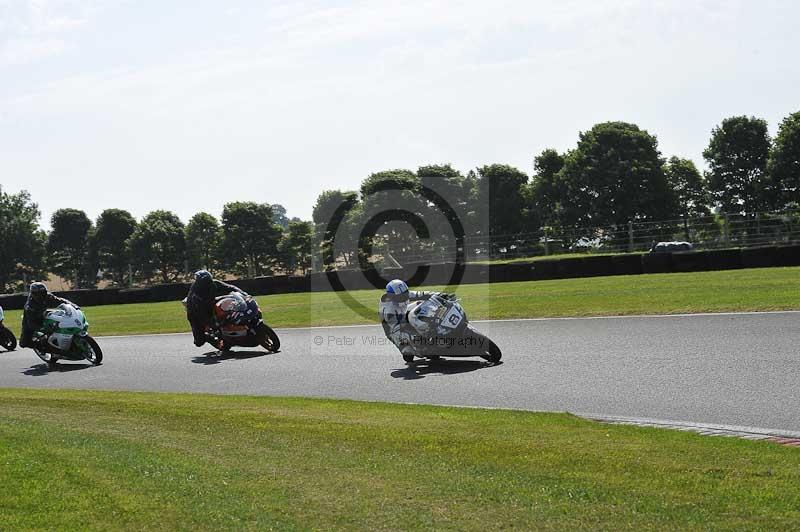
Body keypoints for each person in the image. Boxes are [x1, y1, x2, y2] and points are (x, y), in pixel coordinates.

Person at [378, 279, 453, 357]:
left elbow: (421, 294)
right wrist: (414, 337)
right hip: (394, 330)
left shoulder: (402, 294)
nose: (404, 298)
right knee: (409, 351)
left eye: (405, 294)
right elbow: (396, 330)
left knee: (420, 304)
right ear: (392, 296)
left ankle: (435, 324)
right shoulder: (389, 311)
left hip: (404, 313)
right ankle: (416, 349)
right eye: (401, 297)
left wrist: (440, 295)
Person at [185, 270, 249, 348]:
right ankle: (210, 338)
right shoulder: (195, 294)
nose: (208, 283)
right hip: (195, 312)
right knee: (199, 342)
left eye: (209, 280)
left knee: (225, 312)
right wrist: (209, 323)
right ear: (200, 283)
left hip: (212, 302)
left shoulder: (214, 283)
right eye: (205, 281)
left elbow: (230, 287)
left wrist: (243, 293)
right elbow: (200, 313)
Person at [19, 282, 76, 348]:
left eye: (43, 292)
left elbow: (59, 300)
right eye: (39, 294)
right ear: (34, 294)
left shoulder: (48, 296)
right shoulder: (30, 306)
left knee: (59, 318)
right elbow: (31, 323)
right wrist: (44, 328)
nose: (42, 295)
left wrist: (72, 305)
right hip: (31, 319)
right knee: (24, 343)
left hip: (44, 313)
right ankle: (42, 347)